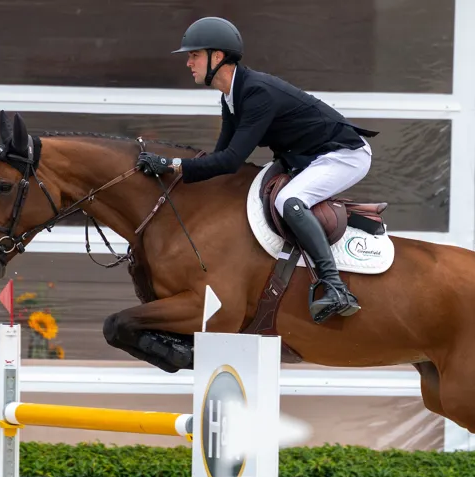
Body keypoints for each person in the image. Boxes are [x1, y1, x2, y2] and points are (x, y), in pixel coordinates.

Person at [136, 16, 378, 324]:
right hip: (304, 157)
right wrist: (171, 172)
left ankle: (336, 287)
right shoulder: (231, 97)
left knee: (289, 201)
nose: (188, 62)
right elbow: (221, 159)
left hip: (343, 155)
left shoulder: (256, 93)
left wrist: (171, 165)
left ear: (217, 57)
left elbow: (230, 160)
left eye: (194, 55)